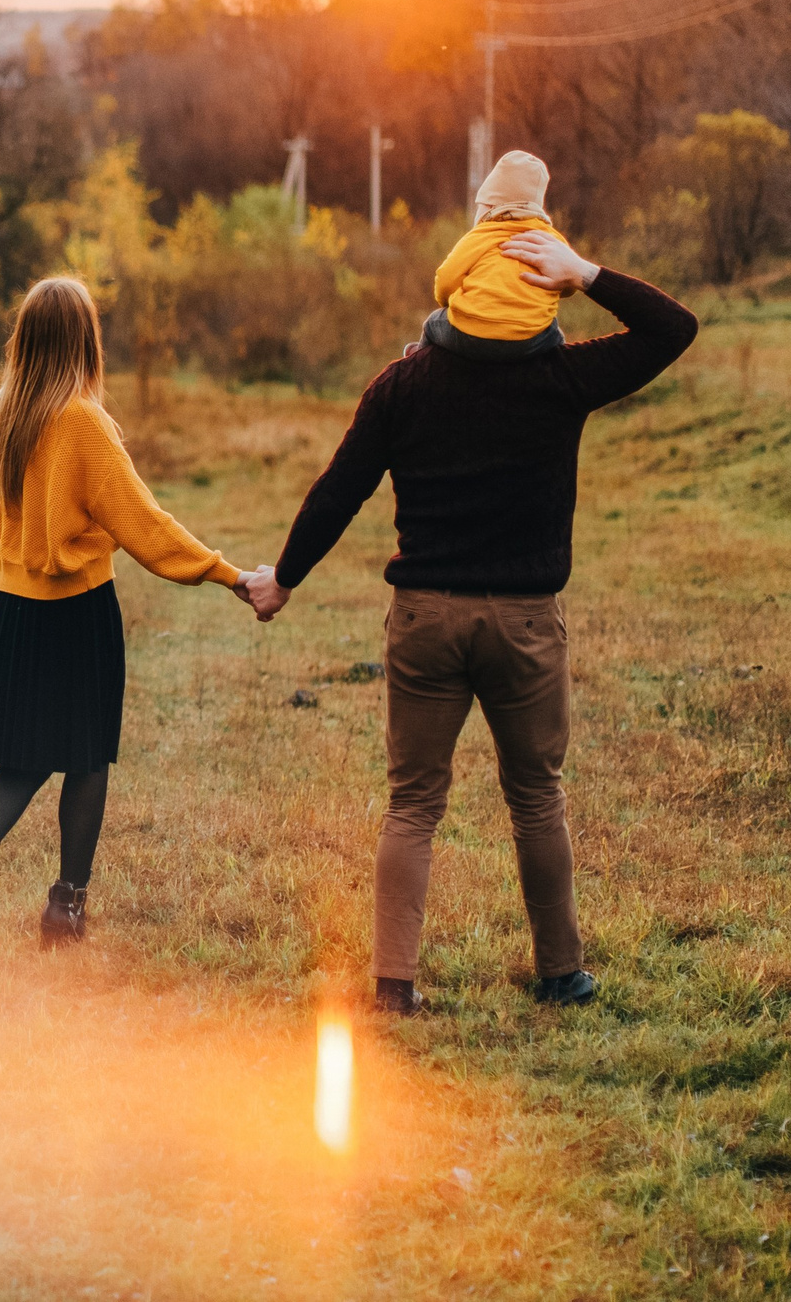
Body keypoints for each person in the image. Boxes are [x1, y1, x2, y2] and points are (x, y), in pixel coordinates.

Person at [238, 229, 696, 1014]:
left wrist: (283, 580)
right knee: (537, 797)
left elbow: (340, 488)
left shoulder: (403, 382)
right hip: (526, 626)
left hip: (425, 619)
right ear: (538, 294)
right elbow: (673, 329)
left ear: (456, 287)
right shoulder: (563, 375)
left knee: (413, 803)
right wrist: (587, 273)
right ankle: (561, 976)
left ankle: (393, 986)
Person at [0, 276, 252, 958]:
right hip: (76, 611)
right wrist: (227, 573)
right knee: (86, 754)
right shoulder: (81, 420)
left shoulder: (3, 411)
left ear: (25, 339)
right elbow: (145, 523)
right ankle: (65, 909)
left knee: (26, 753)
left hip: (15, 608)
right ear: (84, 341)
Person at [426, 150, 574, 360]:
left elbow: (446, 279)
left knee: (432, 323)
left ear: (490, 206)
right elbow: (570, 282)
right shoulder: (552, 240)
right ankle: (556, 368)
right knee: (554, 330)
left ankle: (417, 359)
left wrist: (447, 303)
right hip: (531, 339)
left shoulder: (481, 235)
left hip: (473, 334)